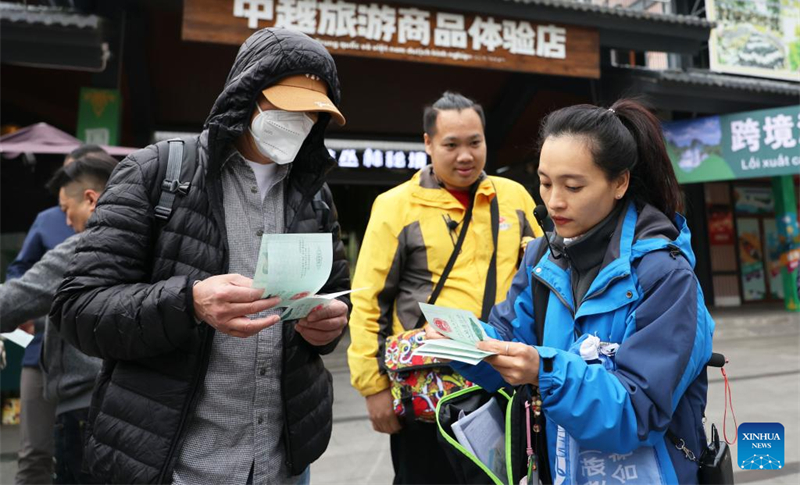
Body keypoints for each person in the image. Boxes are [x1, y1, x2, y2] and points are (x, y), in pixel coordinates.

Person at [50, 28, 351, 485]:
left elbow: (327, 302)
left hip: (283, 464)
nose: (299, 120)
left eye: (312, 112)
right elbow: (77, 308)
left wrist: (326, 328)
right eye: (285, 106)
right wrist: (188, 302)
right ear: (246, 93)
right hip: (172, 464)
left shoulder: (314, 197)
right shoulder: (155, 172)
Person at [433, 100, 714, 485]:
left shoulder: (666, 275)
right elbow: (509, 337)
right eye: (545, 182)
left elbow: (637, 412)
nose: (553, 201)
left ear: (620, 182)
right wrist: (465, 343)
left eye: (573, 186)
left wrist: (544, 371)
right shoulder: (541, 257)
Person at [348, 91, 542, 485]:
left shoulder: (515, 198)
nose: (465, 155)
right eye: (451, 145)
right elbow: (369, 301)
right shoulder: (394, 206)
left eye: (475, 142)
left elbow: (544, 280)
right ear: (428, 144)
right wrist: (373, 389)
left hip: (504, 381)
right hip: (428, 394)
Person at [1, 153, 118, 484]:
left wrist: (18, 313)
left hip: (82, 405)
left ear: (91, 199)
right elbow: (98, 311)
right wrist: (38, 322)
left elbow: (14, 297)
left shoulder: (84, 247)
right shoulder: (145, 240)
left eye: (67, 209)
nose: (66, 221)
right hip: (128, 403)